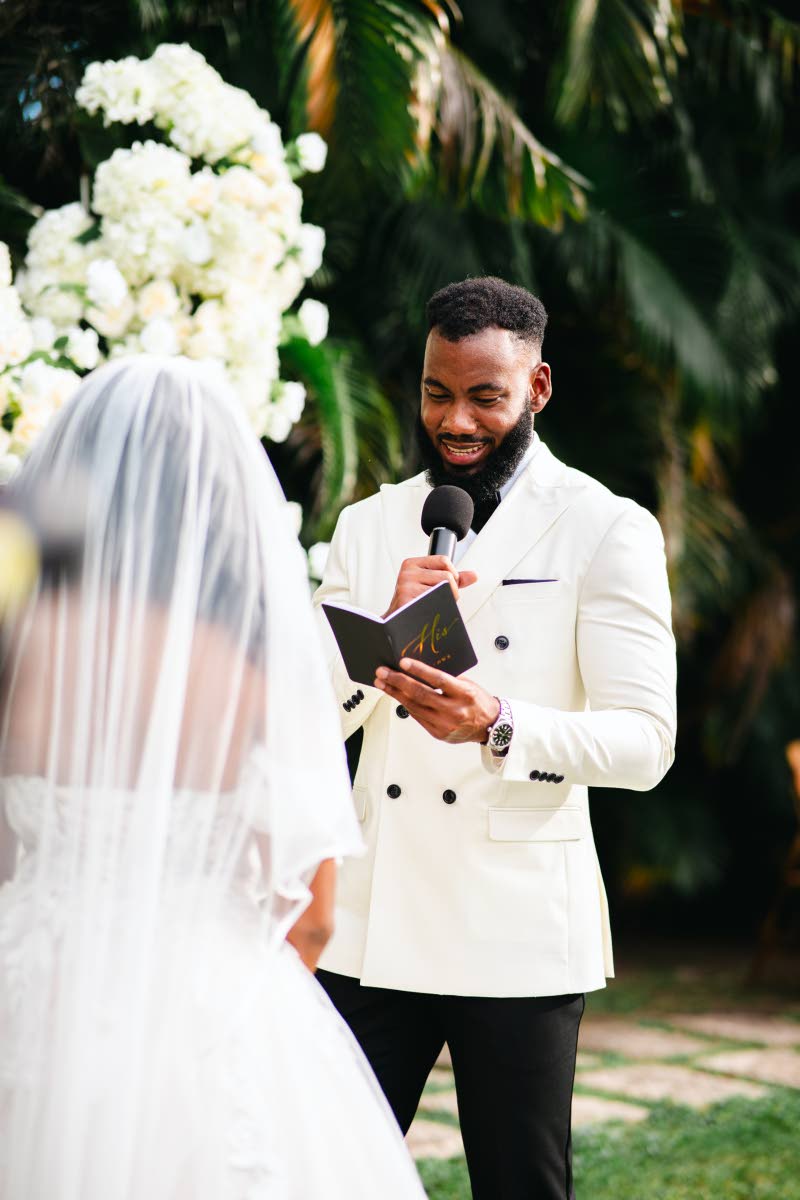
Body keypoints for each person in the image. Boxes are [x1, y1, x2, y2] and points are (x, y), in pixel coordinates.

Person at [0, 357, 427, 1200]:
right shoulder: (256, 672)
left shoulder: (18, 652)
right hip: (203, 1005)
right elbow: (312, 915)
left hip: (29, 984)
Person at [313, 277, 677, 1200]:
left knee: (520, 1185)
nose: (456, 419)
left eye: (486, 395)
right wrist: (366, 645)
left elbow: (645, 743)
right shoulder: (370, 523)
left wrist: (500, 723)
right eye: (438, 391)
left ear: (538, 388)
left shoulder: (606, 527)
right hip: (372, 919)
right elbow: (302, 716)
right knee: (316, 1171)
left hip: (514, 924)